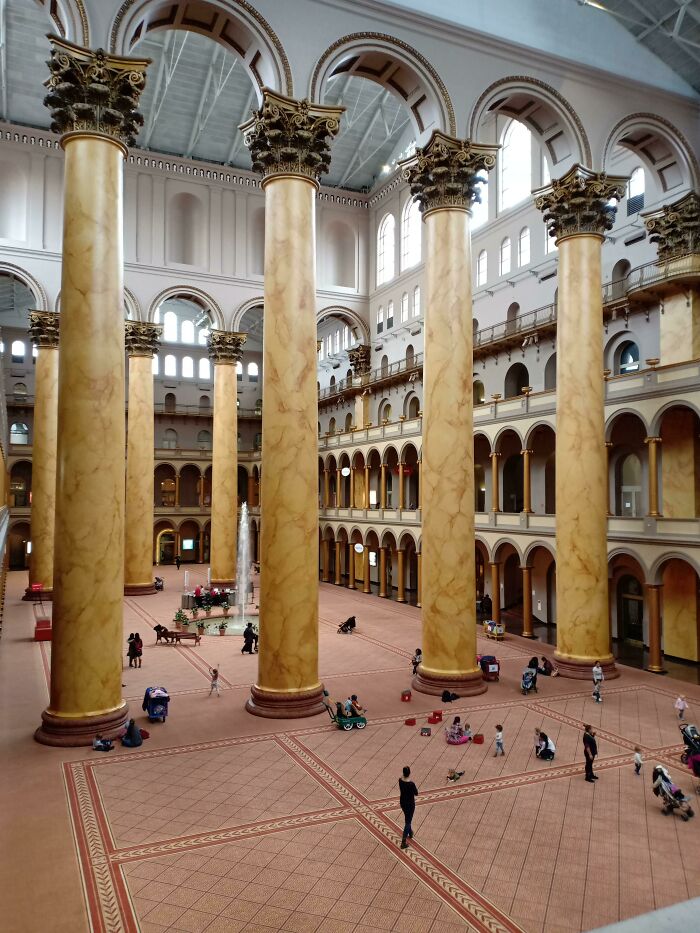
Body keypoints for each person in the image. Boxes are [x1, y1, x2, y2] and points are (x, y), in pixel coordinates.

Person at [399, 766, 418, 849]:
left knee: (407, 818)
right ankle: (403, 842)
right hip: (410, 804)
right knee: (408, 821)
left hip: (403, 802)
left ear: (403, 773)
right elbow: (416, 793)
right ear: (409, 773)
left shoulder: (400, 780)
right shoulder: (411, 784)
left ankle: (410, 833)